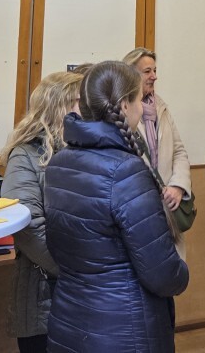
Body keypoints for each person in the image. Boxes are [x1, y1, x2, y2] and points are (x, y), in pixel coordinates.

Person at [43, 61, 188, 352]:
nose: (142, 108)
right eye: (139, 100)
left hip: (70, 321)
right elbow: (162, 274)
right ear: (124, 105)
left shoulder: (58, 163)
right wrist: (182, 273)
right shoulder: (126, 172)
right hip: (124, 329)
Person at [0, 71, 82, 353]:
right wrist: (75, 271)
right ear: (58, 106)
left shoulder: (84, 150)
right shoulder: (24, 155)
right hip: (44, 294)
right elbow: (28, 228)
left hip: (84, 294)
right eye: (79, 101)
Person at [122, 48, 192, 218]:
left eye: (155, 70)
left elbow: (179, 151)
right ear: (130, 75)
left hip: (167, 205)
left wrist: (178, 186)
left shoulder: (161, 107)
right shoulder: (122, 111)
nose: (154, 76)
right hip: (136, 207)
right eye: (147, 71)